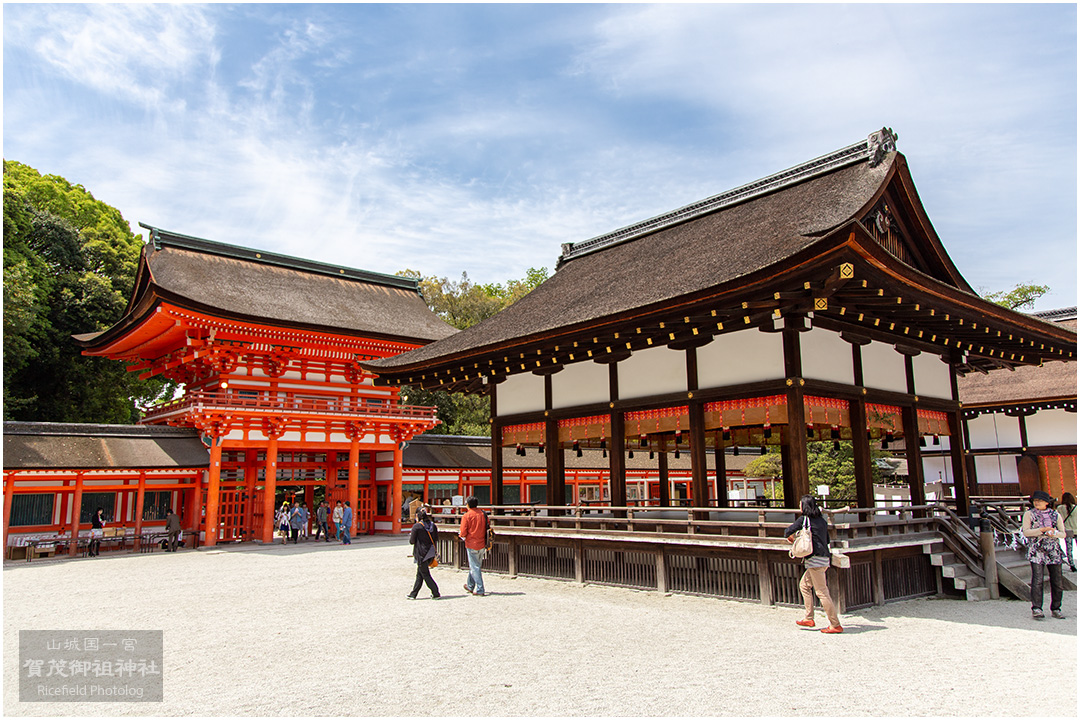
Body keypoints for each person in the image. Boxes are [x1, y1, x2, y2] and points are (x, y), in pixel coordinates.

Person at [784, 495, 842, 633]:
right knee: (804, 585)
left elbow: (787, 531)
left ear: (804, 506)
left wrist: (794, 540)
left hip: (814, 560)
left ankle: (835, 624)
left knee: (822, 592)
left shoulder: (804, 520)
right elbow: (826, 540)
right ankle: (809, 617)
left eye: (800, 504)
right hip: (823, 558)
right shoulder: (822, 521)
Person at [1022, 490, 1066, 619]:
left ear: (1047, 502)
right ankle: (1037, 608)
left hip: (1053, 549)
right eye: (1035, 500)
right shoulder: (1029, 514)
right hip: (1036, 549)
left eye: (1040, 501)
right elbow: (1026, 532)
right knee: (1037, 580)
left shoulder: (1055, 515)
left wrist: (1054, 533)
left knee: (1057, 580)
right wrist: (1040, 530)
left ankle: (1056, 608)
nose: (1037, 502)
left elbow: (1063, 534)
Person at [407, 508, 441, 600]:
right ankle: (413, 594)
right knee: (420, 574)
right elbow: (436, 538)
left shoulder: (417, 526)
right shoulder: (433, 525)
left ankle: (435, 592)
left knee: (425, 574)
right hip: (430, 552)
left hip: (421, 553)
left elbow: (412, 541)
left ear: (417, 516)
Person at [459, 496, 489, 596]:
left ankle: (480, 589)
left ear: (468, 504)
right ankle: (470, 585)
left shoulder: (466, 516)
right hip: (482, 543)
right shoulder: (483, 514)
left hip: (472, 544)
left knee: (475, 566)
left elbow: (463, 532)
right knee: (476, 565)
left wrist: (462, 536)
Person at [1059, 492, 1076, 572]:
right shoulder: (1076, 507)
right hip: (1077, 529)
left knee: (1069, 548)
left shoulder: (1060, 508)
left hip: (1067, 530)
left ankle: (1072, 564)